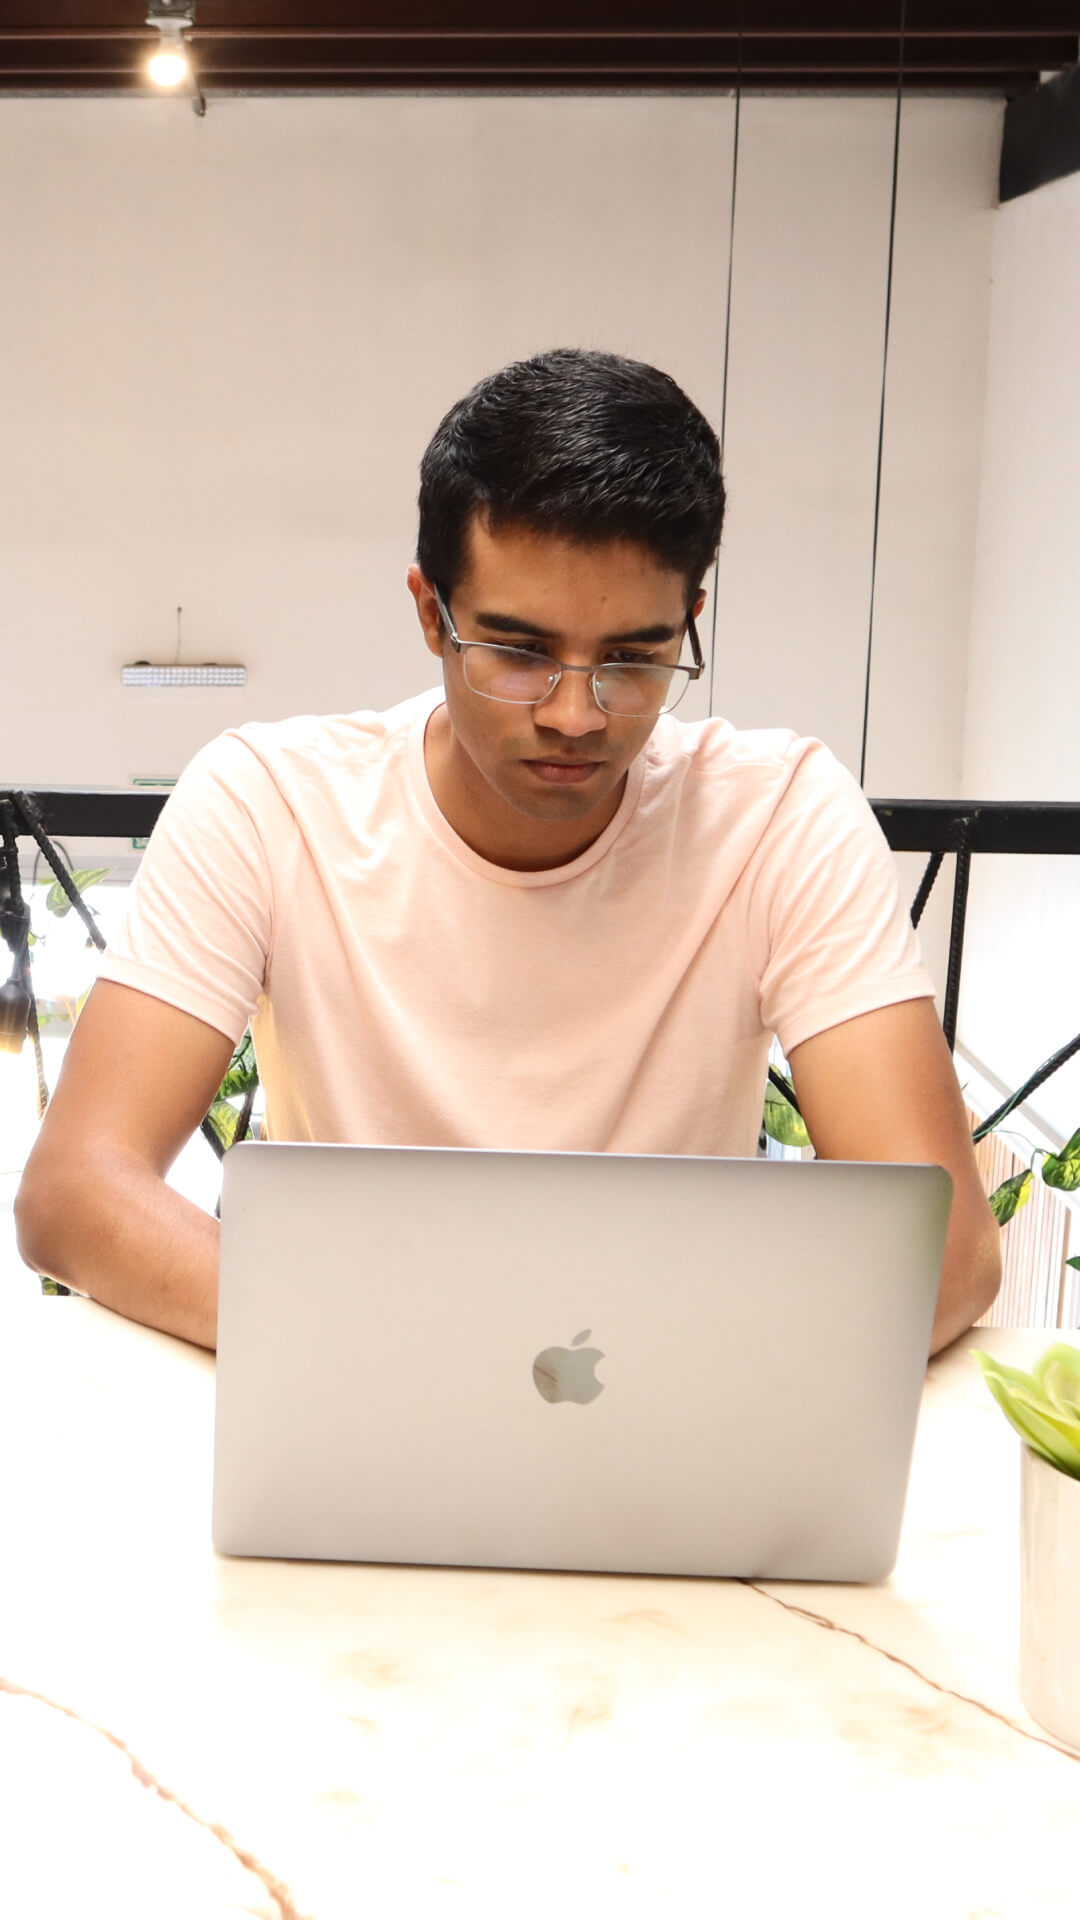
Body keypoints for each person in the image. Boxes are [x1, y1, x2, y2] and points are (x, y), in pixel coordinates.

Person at [15, 348, 1001, 1354]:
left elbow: (949, 1250)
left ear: (688, 622)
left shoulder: (782, 814)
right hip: (356, 1404)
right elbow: (75, 1189)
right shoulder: (268, 802)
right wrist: (408, 1356)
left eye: (632, 657)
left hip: (656, 1433)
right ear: (429, 614)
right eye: (521, 653)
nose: (575, 715)